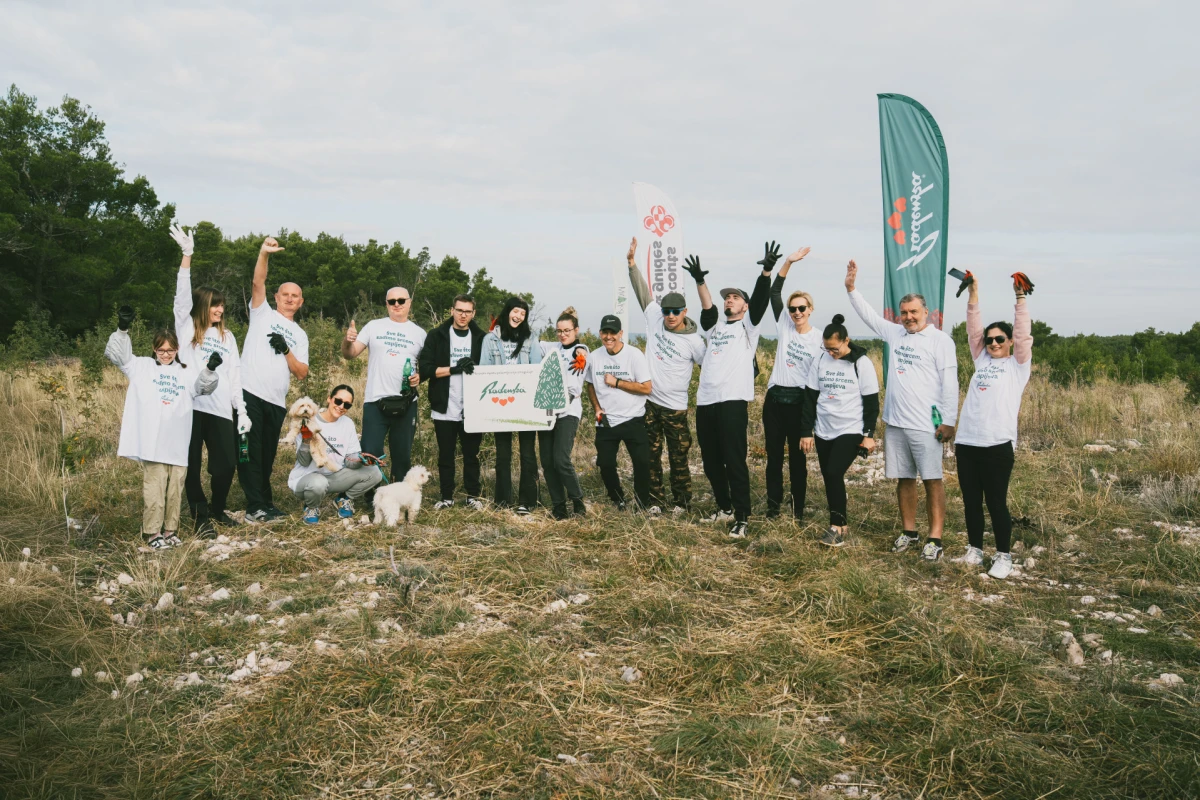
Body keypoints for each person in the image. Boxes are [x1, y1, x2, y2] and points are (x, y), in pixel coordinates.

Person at [845, 259, 959, 560]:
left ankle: (935, 538)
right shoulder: (895, 333)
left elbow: (950, 383)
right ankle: (909, 531)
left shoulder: (940, 341)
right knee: (904, 479)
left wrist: (948, 421)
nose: (908, 317)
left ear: (926, 312)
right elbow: (869, 316)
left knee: (932, 480)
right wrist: (851, 289)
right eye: (904, 313)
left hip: (926, 425)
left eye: (914, 312)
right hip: (895, 423)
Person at [105, 313, 219, 549]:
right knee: (155, 489)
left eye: (170, 350)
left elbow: (202, 388)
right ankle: (153, 532)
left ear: (177, 350)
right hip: (153, 442)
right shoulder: (141, 367)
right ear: (154, 349)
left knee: (175, 489)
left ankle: (170, 531)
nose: (166, 355)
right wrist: (123, 329)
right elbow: (119, 356)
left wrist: (210, 369)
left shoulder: (186, 372)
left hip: (177, 442)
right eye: (161, 350)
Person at [685, 241, 776, 538]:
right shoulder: (716, 329)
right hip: (706, 401)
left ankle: (742, 516)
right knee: (711, 461)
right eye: (727, 298)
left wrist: (766, 272)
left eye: (735, 298)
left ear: (744, 306)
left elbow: (760, 300)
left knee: (734, 460)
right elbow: (707, 307)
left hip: (733, 401)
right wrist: (700, 280)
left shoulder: (748, 327)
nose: (729, 300)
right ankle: (724, 508)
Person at [169, 223, 250, 537]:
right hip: (190, 407)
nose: (220, 309)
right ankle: (199, 515)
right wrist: (187, 256)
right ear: (203, 305)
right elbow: (181, 298)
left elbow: (234, 374)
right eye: (215, 304)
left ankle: (218, 509)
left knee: (226, 464)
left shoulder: (228, 336)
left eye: (222, 304)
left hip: (219, 409)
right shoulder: (188, 327)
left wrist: (241, 410)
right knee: (190, 463)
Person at [951, 275, 1033, 579]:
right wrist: (973, 293)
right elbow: (974, 329)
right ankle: (975, 550)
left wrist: (1020, 299)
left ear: (1009, 342)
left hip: (997, 444)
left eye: (1000, 339)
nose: (994, 343)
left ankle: (1003, 556)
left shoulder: (1017, 366)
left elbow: (1023, 335)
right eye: (990, 340)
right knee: (971, 502)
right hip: (967, 443)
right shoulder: (982, 361)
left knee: (996, 502)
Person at [626, 237, 706, 514]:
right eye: (666, 311)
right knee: (650, 455)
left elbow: (709, 368)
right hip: (650, 402)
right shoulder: (654, 318)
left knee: (678, 456)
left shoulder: (695, 341)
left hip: (676, 408)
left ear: (685, 312)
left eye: (675, 312)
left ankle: (681, 502)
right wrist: (632, 264)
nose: (670, 316)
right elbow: (642, 292)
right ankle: (655, 501)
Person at [237, 237, 309, 524]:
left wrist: (286, 349)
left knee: (266, 454)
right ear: (276, 297)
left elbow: (301, 372)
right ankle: (254, 507)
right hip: (249, 393)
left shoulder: (300, 334)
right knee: (250, 451)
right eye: (285, 294)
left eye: (295, 296)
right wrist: (264, 254)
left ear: (301, 302)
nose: (290, 298)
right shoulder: (262, 313)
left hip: (276, 401)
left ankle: (265, 503)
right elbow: (258, 282)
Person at [799, 315, 880, 547]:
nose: (831, 353)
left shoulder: (861, 363)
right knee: (829, 476)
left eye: (835, 349)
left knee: (834, 472)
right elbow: (810, 397)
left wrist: (868, 435)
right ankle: (841, 523)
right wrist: (806, 431)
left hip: (850, 428)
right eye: (827, 349)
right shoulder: (820, 359)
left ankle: (835, 528)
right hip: (824, 428)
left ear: (846, 341)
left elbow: (871, 402)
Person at [342, 287, 426, 484]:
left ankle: (399, 495)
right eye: (392, 301)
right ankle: (371, 494)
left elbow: (427, 366)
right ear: (386, 304)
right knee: (370, 453)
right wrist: (347, 341)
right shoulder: (374, 326)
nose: (397, 304)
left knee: (402, 455)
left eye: (401, 300)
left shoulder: (420, 333)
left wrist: (420, 377)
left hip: (406, 402)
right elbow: (350, 354)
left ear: (409, 302)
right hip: (375, 400)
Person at [763, 245, 819, 520]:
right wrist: (788, 262)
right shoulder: (784, 326)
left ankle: (798, 511)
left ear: (810, 309)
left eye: (801, 308)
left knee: (798, 460)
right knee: (774, 458)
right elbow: (774, 293)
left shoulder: (819, 339)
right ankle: (773, 507)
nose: (796, 312)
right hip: (775, 401)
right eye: (793, 309)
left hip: (799, 403)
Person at [420, 294, 486, 512]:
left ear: (473, 313)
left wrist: (474, 366)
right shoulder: (437, 335)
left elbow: (490, 369)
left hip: (473, 407)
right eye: (459, 310)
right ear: (452, 311)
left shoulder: (481, 338)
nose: (463, 315)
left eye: (467, 311)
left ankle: (472, 496)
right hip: (444, 405)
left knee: (471, 455)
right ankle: (446, 497)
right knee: (446, 455)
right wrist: (454, 369)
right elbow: (426, 369)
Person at [480, 296, 542, 514]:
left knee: (527, 453)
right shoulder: (490, 339)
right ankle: (502, 501)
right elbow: (484, 370)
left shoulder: (530, 339)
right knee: (503, 454)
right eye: (516, 311)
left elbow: (537, 368)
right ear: (507, 312)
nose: (518, 316)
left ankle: (528, 501)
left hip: (525, 403)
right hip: (500, 402)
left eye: (523, 314)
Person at [584, 314, 653, 510]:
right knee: (605, 463)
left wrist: (617, 382)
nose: (609, 337)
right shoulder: (594, 357)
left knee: (642, 462)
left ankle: (642, 503)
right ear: (600, 333)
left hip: (633, 418)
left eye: (613, 333)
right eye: (605, 332)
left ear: (621, 333)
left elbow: (647, 388)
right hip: (605, 420)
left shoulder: (634, 355)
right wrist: (597, 408)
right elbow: (590, 385)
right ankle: (618, 499)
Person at [287, 385, 382, 524]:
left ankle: (344, 499)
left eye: (347, 405)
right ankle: (311, 507)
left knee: (375, 472)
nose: (341, 406)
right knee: (318, 483)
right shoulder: (308, 419)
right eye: (338, 401)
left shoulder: (348, 423)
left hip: (335, 475)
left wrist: (362, 459)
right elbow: (304, 462)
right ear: (329, 399)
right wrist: (306, 440)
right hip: (307, 477)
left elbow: (349, 460)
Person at [538, 307, 590, 519]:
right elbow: (532, 343)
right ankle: (558, 506)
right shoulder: (552, 347)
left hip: (569, 410)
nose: (562, 334)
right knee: (547, 462)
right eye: (559, 331)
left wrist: (581, 351)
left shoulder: (581, 350)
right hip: (547, 410)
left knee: (561, 459)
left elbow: (581, 350)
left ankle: (577, 500)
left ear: (576, 330)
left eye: (567, 330)